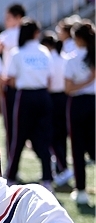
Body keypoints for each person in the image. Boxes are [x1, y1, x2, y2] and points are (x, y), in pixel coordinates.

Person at [5, 18, 53, 190]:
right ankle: (47, 179)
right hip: (43, 96)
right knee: (44, 138)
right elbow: (50, 78)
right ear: (36, 33)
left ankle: (11, 177)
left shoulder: (17, 53)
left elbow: (10, 78)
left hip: (25, 97)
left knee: (18, 137)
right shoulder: (44, 52)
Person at [64, 21, 95, 206]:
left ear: (77, 38)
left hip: (78, 104)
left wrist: (86, 81)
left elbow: (68, 88)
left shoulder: (71, 58)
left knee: (77, 147)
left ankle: (81, 190)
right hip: (93, 102)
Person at [0, 3, 26, 158]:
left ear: (18, 18)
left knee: (10, 125)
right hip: (30, 85)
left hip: (10, 84)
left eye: (8, 18)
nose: (6, 21)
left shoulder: (9, 34)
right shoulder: (30, 34)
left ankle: (12, 158)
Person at [40, 32, 74, 189]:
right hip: (65, 99)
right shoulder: (64, 57)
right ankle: (61, 168)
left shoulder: (48, 59)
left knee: (50, 136)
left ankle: (63, 168)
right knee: (61, 136)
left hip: (51, 98)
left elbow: (47, 81)